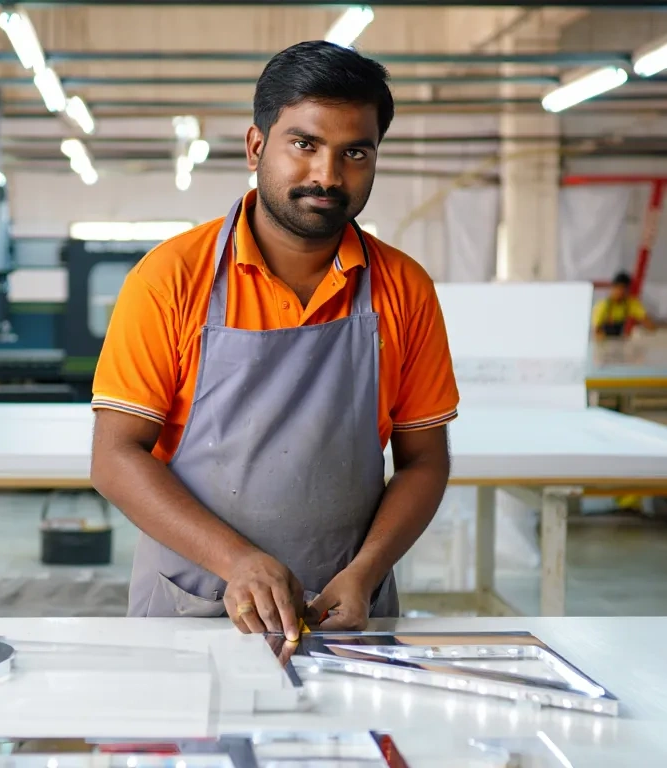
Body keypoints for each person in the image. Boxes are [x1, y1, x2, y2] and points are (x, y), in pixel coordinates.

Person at [88, 41, 459, 638]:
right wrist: (238, 562)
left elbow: (425, 459)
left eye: (355, 153)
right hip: (194, 606)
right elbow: (115, 457)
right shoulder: (171, 279)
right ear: (257, 145)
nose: (327, 175)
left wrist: (367, 570)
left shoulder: (404, 288)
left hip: (345, 611)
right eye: (304, 144)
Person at [592, 271, 657, 339]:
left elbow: (646, 320)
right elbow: (596, 330)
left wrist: (653, 333)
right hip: (605, 342)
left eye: (624, 289)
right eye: (619, 288)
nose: (621, 292)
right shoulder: (602, 305)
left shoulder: (629, 303)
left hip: (620, 341)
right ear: (613, 288)